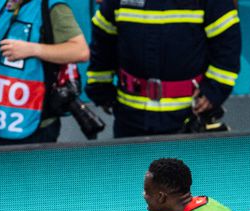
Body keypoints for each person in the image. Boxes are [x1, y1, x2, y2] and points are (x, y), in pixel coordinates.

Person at [87, 0, 240, 137]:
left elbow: (227, 44)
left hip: (188, 114)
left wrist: (214, 90)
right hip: (130, 116)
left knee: (184, 168)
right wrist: (100, 87)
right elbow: (103, 40)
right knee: (131, 168)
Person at [0, 0, 89, 148]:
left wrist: (33, 50)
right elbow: (1, 49)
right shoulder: (2, 4)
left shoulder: (53, 8)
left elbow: (80, 51)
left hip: (32, 125)